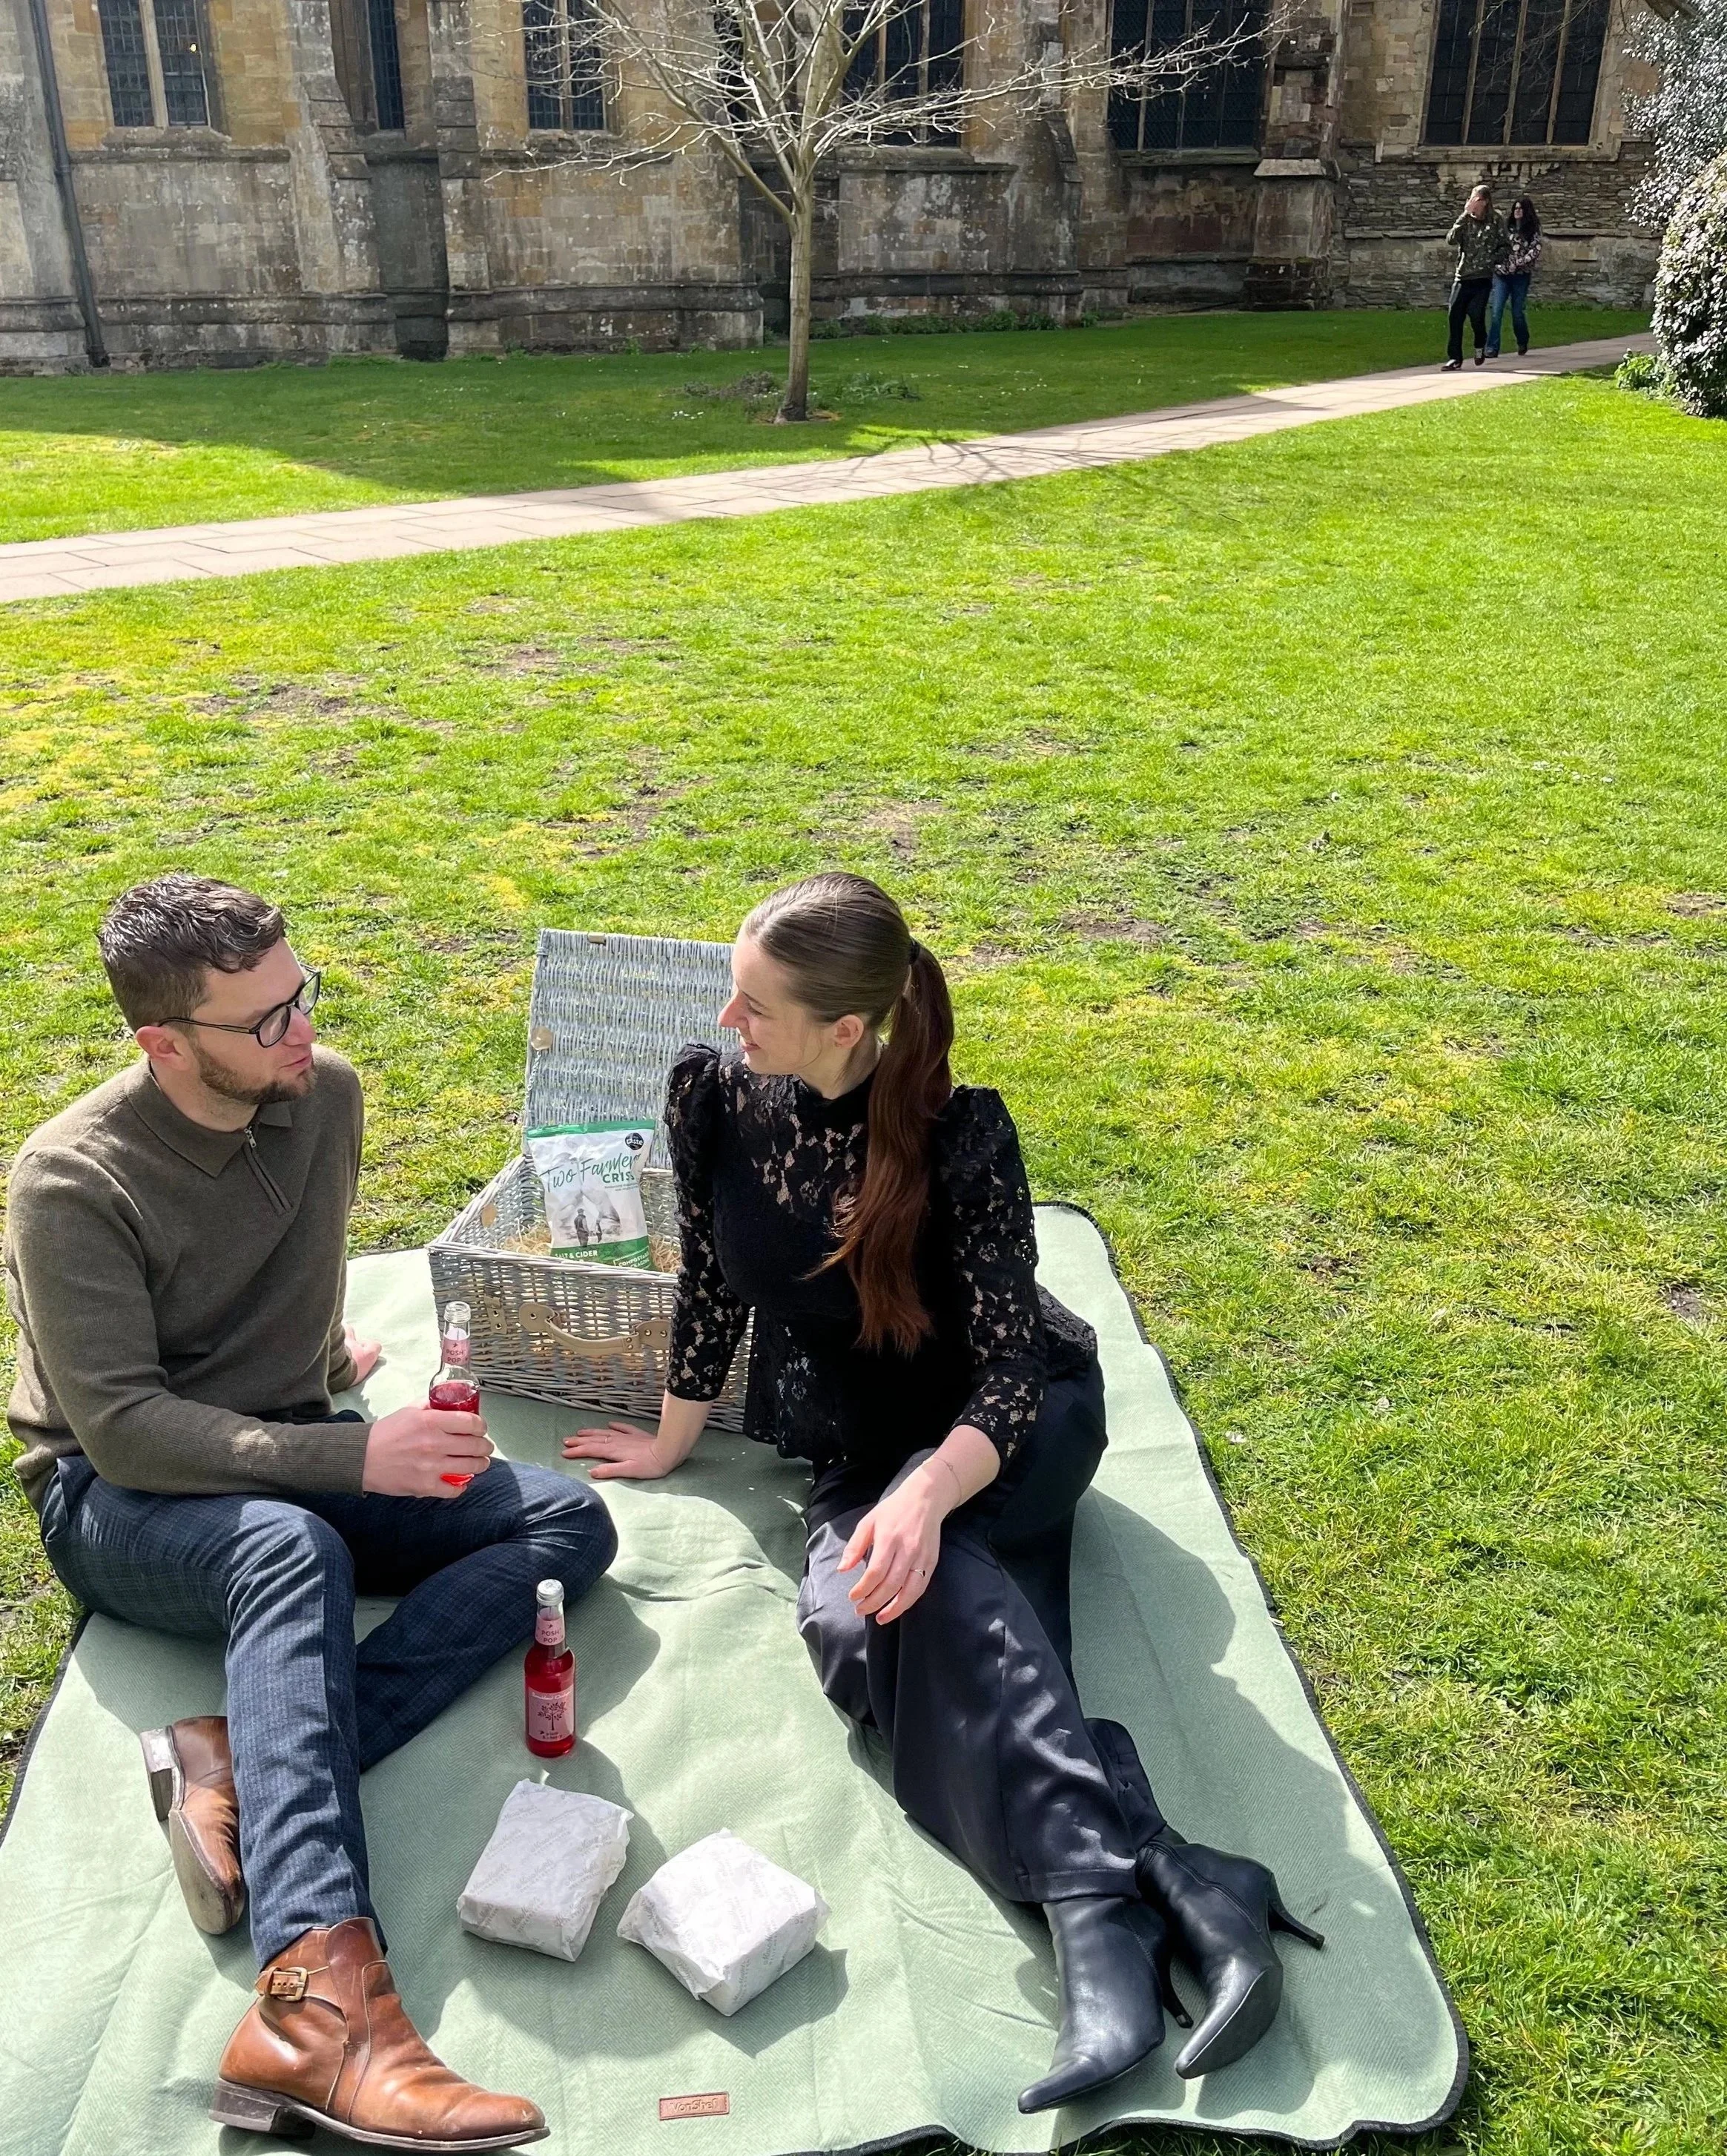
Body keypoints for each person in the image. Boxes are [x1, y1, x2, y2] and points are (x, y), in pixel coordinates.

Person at [564, 872, 1323, 2111]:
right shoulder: (711, 1093)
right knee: (854, 1620)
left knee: (920, 1585)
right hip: (861, 1444)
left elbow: (1015, 1368)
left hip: (1005, 1432)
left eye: (755, 1001)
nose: (726, 1014)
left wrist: (925, 1496)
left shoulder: (960, 1132)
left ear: (845, 1027)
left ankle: (1089, 1917)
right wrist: (668, 1434)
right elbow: (709, 1277)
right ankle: (1175, 1871)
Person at [4, 874, 616, 2152]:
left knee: (564, 1523)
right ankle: (311, 2012)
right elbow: (121, 1427)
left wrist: (335, 1378)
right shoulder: (68, 1182)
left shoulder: (318, 1094)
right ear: (161, 1042)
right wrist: (350, 1460)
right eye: (263, 1020)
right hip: (119, 1496)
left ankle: (238, 1753)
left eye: (302, 996)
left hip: (291, 1436)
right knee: (296, 1546)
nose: (303, 1034)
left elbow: (271, 1286)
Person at [1443, 183, 1510, 370]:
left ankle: (1480, 344)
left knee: (1476, 316)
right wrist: (1464, 215)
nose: (1474, 204)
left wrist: (1491, 260)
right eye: (1472, 199)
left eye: (1478, 200)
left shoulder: (1496, 220)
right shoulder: (1466, 220)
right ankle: (1454, 358)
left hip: (1482, 278)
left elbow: (1506, 247)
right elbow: (1451, 239)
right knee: (1454, 317)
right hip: (1463, 276)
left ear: (1486, 202)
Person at [1487, 196, 1542, 360]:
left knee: (1517, 312)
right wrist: (1496, 265)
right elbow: (1494, 246)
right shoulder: (1506, 228)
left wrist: (1519, 263)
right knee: (1496, 311)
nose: (1517, 211)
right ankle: (1492, 347)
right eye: (1515, 208)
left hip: (1520, 276)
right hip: (1502, 275)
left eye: (1520, 208)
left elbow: (1535, 250)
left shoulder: (1532, 230)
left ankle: (1522, 340)